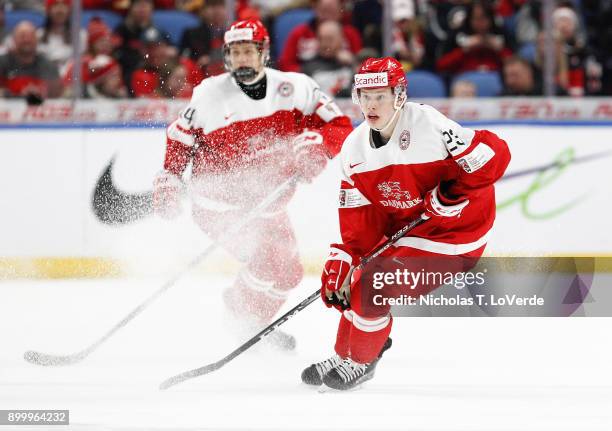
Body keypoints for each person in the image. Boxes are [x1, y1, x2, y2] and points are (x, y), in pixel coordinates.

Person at [301, 57, 511, 390]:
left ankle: (362, 360)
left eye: (380, 96)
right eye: (364, 97)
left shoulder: (429, 124)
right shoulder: (353, 149)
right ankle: (346, 354)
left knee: (375, 285)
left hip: (456, 235)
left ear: (399, 96)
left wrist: (453, 194)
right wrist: (348, 256)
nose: (370, 105)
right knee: (357, 280)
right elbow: (360, 219)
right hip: (412, 233)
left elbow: (494, 156)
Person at [152, 19, 353, 348]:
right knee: (268, 257)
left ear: (264, 53)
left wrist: (319, 147)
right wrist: (170, 178)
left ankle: (254, 328)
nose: (242, 58)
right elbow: (179, 136)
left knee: (290, 273)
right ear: (227, 56)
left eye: (249, 51)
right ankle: (238, 314)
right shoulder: (209, 95)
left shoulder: (296, 87)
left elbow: (340, 125)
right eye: (236, 52)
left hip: (271, 203)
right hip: (219, 206)